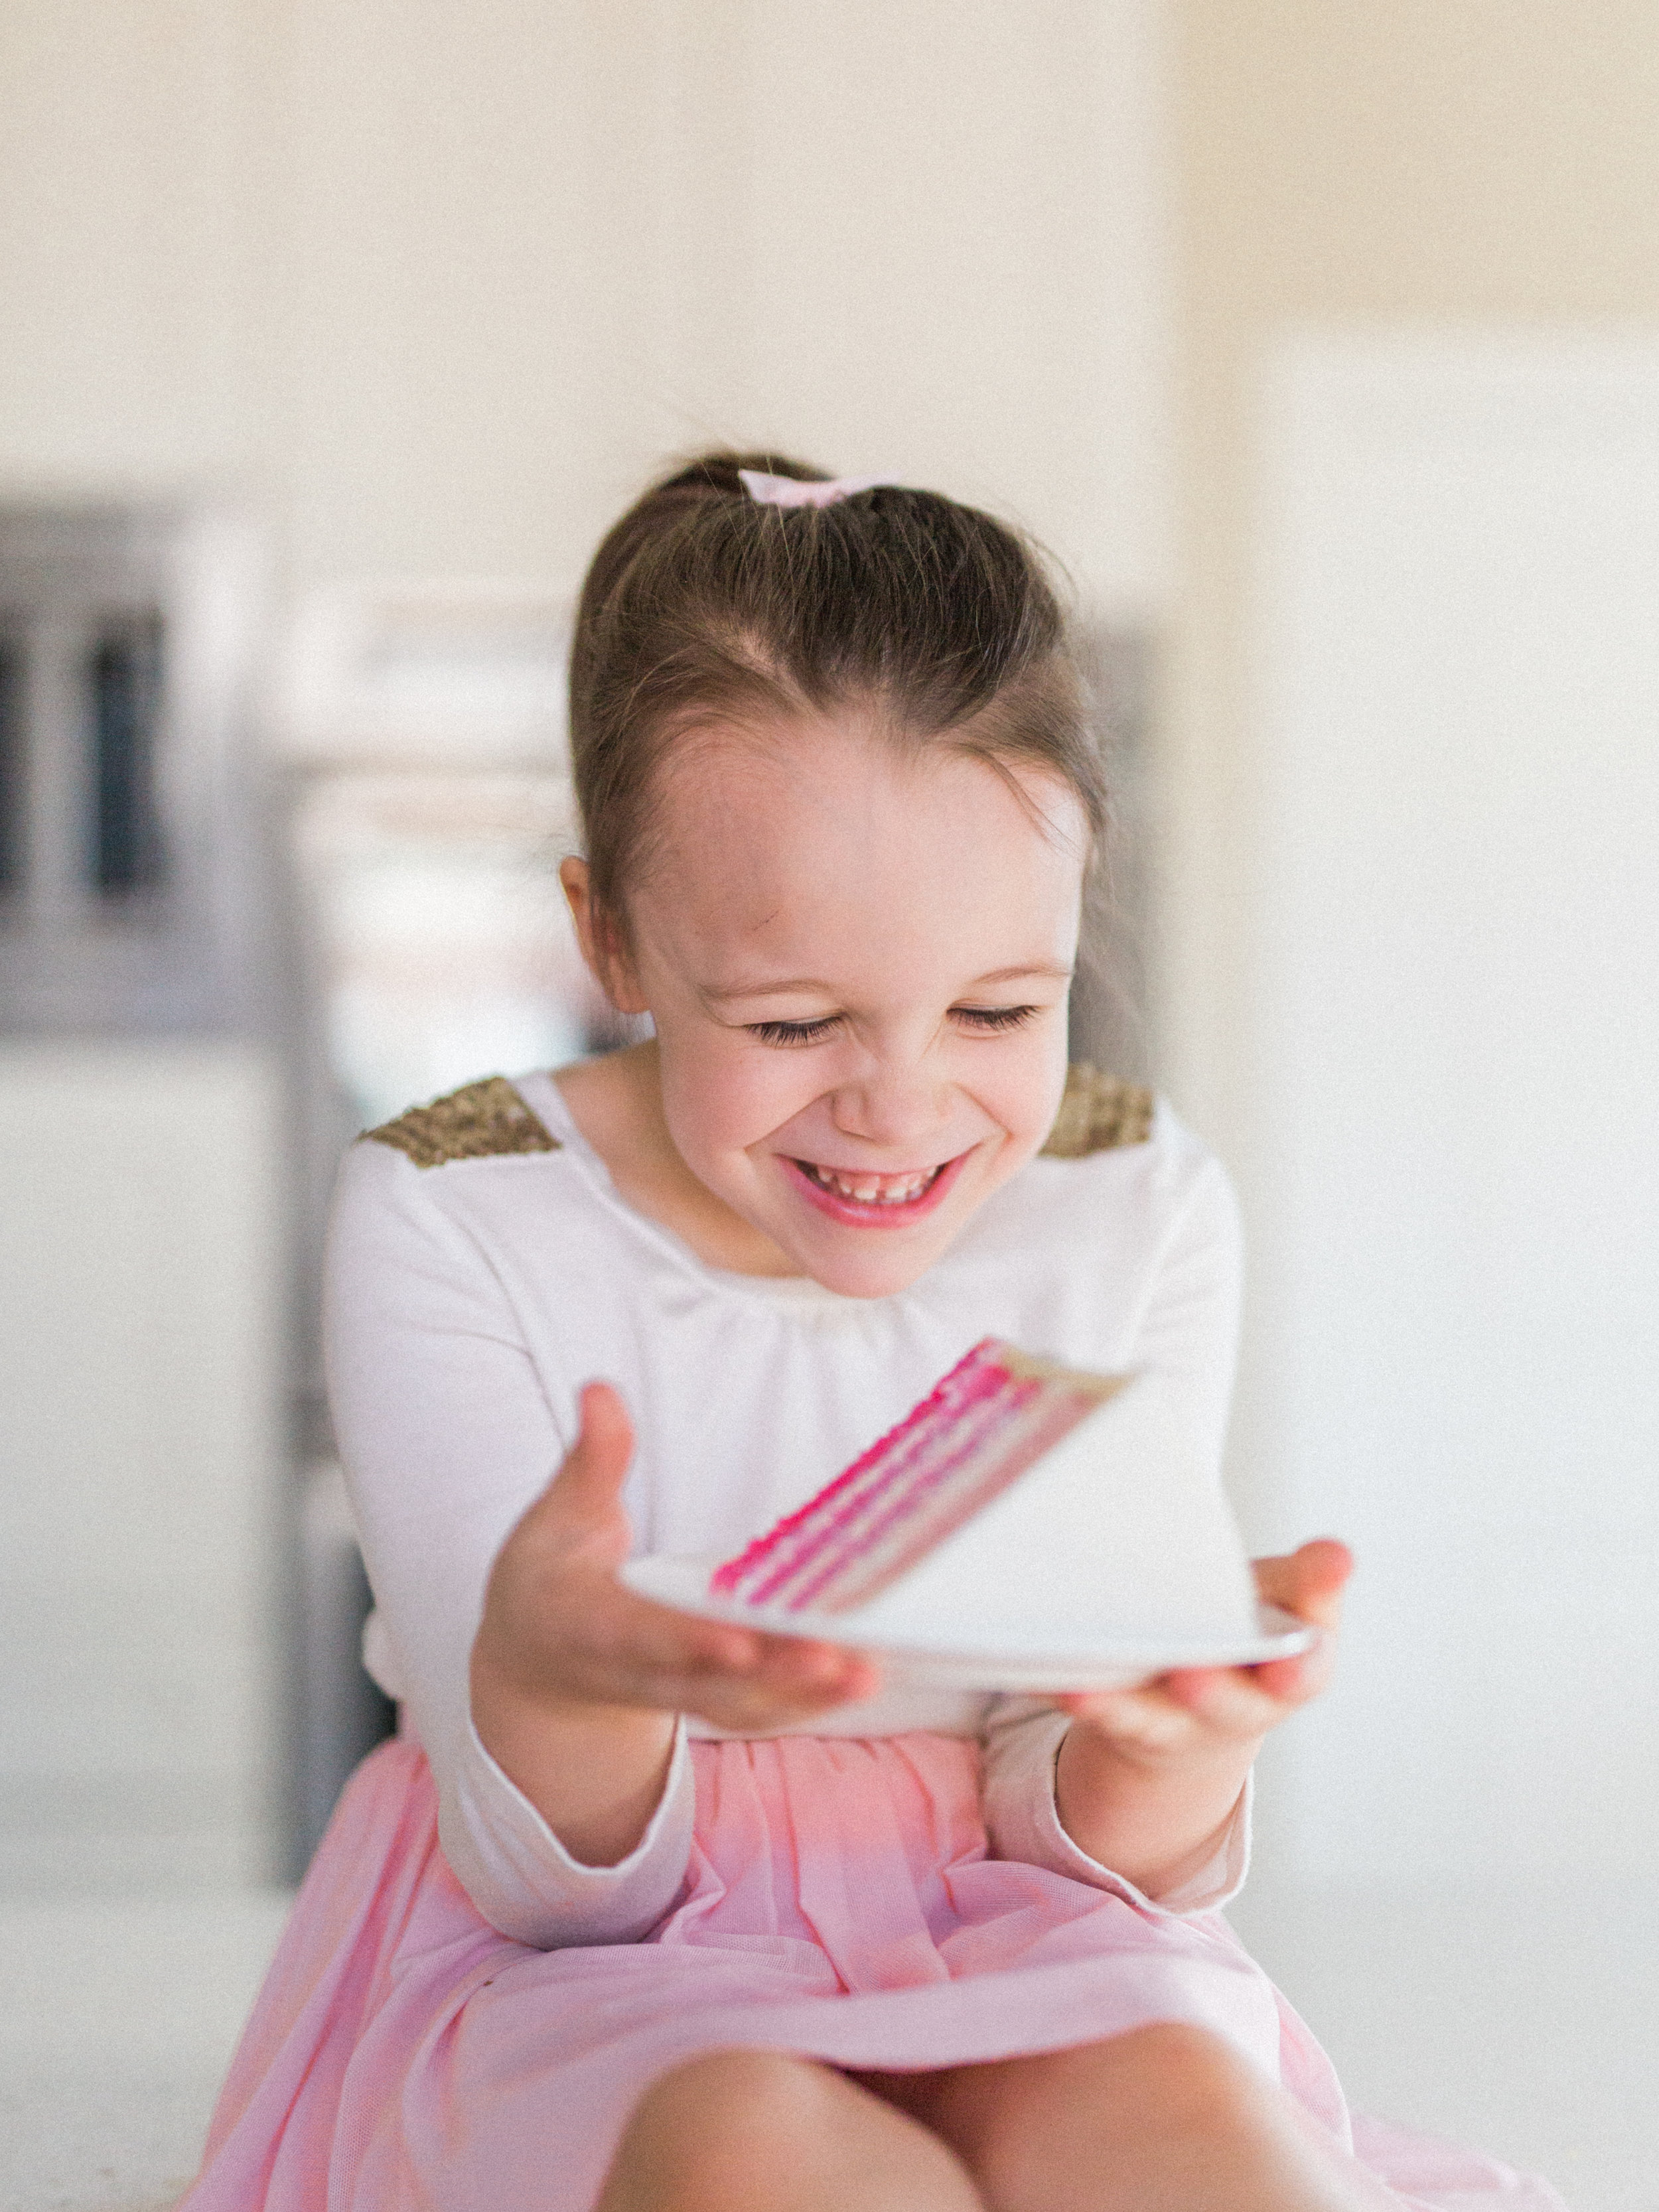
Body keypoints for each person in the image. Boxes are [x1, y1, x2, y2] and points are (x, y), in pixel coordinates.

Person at [183, 454, 1567, 2212]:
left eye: (999, 1007)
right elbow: (560, 1893)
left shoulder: (1135, 1197)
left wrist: (1172, 1744)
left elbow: (1083, 1848)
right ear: (608, 933)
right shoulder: (456, 1212)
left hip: (1012, 1926)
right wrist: (556, 1678)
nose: (898, 1108)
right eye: (788, 1019)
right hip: (592, 1972)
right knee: (756, 2152)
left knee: (1191, 2134)